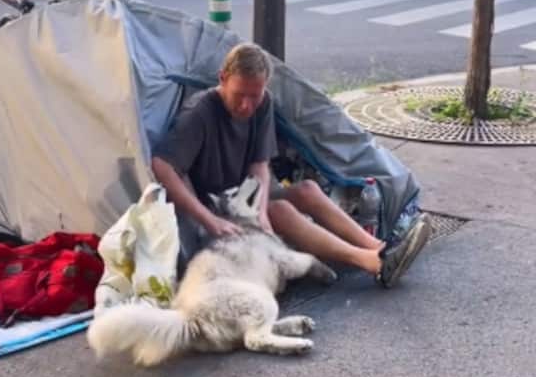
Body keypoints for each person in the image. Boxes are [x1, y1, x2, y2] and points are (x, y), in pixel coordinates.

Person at [151, 41, 432, 289]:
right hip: (217, 211)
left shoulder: (263, 103)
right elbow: (162, 165)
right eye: (240, 95)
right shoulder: (199, 113)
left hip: (246, 196)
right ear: (222, 79)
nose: (247, 105)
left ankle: (382, 249)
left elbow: (260, 163)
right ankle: (373, 264)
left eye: (255, 95)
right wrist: (208, 219)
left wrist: (260, 210)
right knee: (282, 210)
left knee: (307, 189)